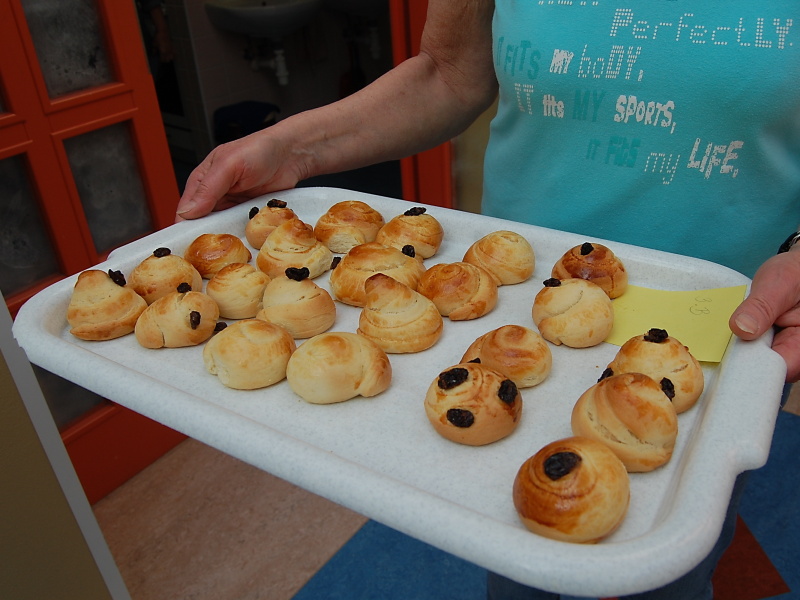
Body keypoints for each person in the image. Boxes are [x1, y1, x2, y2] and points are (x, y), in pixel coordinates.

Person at [175, 1, 800, 598]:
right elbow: (449, 74)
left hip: (730, 319)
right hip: (520, 293)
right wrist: (293, 147)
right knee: (519, 550)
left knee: (671, 565)